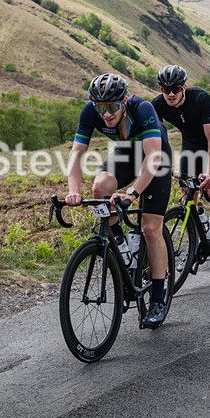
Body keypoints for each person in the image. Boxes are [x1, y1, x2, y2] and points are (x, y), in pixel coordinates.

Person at [66, 73, 172, 328]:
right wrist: (73, 191)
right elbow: (76, 155)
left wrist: (133, 193)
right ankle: (122, 245)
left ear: (124, 101)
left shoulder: (142, 109)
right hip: (126, 154)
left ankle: (158, 298)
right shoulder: (90, 112)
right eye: (101, 108)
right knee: (100, 187)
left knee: (150, 228)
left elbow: (153, 158)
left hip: (155, 157)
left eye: (112, 107)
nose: (106, 114)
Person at [151, 65, 210, 241]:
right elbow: (156, 140)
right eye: (165, 90)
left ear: (184, 87)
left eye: (175, 89)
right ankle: (198, 241)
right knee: (187, 193)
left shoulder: (200, 98)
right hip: (190, 143)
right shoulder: (158, 105)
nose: (171, 94)